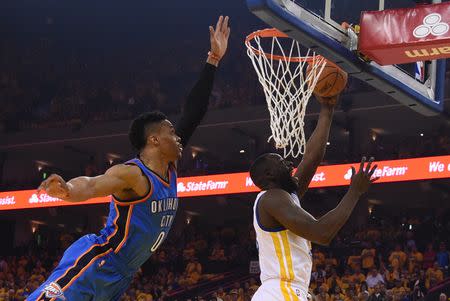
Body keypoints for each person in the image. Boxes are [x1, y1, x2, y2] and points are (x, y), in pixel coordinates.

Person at [27, 16, 231, 301]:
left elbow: (194, 113)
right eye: (171, 133)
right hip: (97, 262)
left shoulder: (170, 166)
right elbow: (93, 184)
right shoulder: (132, 174)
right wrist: (68, 190)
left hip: (120, 276)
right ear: (155, 140)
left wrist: (213, 60)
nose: (178, 137)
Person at [249, 93, 379, 301]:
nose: (291, 165)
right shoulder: (271, 198)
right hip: (280, 292)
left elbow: (312, 157)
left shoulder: (285, 197)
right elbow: (321, 233)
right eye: (282, 163)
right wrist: (354, 192)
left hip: (286, 291)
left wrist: (327, 108)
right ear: (269, 175)